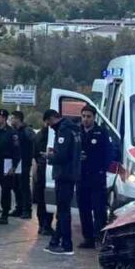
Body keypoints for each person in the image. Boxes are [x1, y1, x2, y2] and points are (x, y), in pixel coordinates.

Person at [77, 104, 118, 249]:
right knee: (84, 209)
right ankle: (88, 238)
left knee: (99, 209)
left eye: (88, 117)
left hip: (97, 177)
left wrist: (102, 169)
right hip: (81, 177)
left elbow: (110, 152)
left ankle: (99, 237)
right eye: (83, 116)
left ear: (94, 118)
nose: (85, 119)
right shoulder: (77, 132)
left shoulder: (101, 132)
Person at [45, 109, 80, 255]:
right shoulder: (73, 129)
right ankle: (55, 241)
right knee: (62, 210)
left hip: (64, 175)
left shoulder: (64, 131)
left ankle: (66, 245)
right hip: (70, 174)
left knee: (63, 211)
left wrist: (49, 156)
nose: (49, 126)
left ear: (52, 118)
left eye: (49, 123)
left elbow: (62, 156)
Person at [0, 109, 20, 224]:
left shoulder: (12, 133)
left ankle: (4, 215)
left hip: (6, 164)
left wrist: (14, 166)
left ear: (4, 118)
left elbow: (17, 151)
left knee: (5, 190)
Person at [31, 115, 53, 236]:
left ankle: (41, 225)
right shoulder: (51, 135)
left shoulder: (38, 134)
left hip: (40, 168)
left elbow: (34, 155)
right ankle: (46, 225)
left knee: (41, 199)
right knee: (47, 199)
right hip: (46, 168)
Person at [10, 110, 34, 219]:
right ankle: (19, 208)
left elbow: (33, 143)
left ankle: (27, 210)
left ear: (18, 119)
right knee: (15, 185)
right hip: (15, 162)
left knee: (24, 186)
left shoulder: (27, 130)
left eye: (12, 118)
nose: (11, 120)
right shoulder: (14, 130)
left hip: (24, 161)